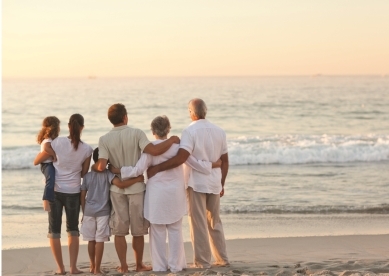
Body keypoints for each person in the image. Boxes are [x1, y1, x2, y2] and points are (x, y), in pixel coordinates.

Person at [109, 115, 221, 272]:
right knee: (175, 230)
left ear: (153, 130)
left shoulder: (149, 150)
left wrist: (117, 170)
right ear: (168, 129)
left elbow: (137, 170)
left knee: (157, 232)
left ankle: (160, 267)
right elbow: (194, 163)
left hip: (156, 195)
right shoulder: (178, 147)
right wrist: (213, 165)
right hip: (175, 193)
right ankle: (177, 266)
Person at [92, 103, 180, 273]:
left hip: (117, 190)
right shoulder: (137, 133)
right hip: (137, 188)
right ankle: (139, 264)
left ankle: (124, 266)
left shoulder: (104, 139)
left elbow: (102, 165)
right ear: (125, 117)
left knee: (119, 229)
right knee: (137, 229)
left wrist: (97, 168)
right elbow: (153, 151)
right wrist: (172, 140)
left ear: (111, 120)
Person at [147, 99, 229, 268]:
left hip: (196, 183)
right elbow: (225, 161)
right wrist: (222, 183)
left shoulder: (189, 131)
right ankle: (222, 259)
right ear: (205, 111)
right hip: (214, 183)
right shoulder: (220, 131)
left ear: (192, 113)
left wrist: (158, 168)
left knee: (198, 222)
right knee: (215, 222)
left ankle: (202, 261)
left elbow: (182, 157)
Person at [34, 113, 93, 275]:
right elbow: (83, 173)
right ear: (82, 128)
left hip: (55, 191)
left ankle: (61, 269)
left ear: (68, 126)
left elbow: (42, 155)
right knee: (73, 229)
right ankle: (73, 268)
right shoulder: (87, 149)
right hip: (73, 191)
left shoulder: (57, 142)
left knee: (54, 230)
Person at [80, 147, 145, 275]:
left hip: (88, 212)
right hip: (103, 212)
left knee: (91, 240)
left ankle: (92, 266)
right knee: (99, 240)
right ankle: (98, 269)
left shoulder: (87, 176)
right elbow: (120, 184)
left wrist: (83, 211)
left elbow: (82, 196)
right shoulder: (108, 174)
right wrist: (137, 179)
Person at [33, 116, 60, 212]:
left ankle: (50, 199)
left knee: (51, 180)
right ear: (55, 128)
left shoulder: (50, 139)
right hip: (47, 164)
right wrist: (54, 155)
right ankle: (46, 199)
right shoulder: (48, 140)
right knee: (50, 180)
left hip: (48, 164)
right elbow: (46, 147)